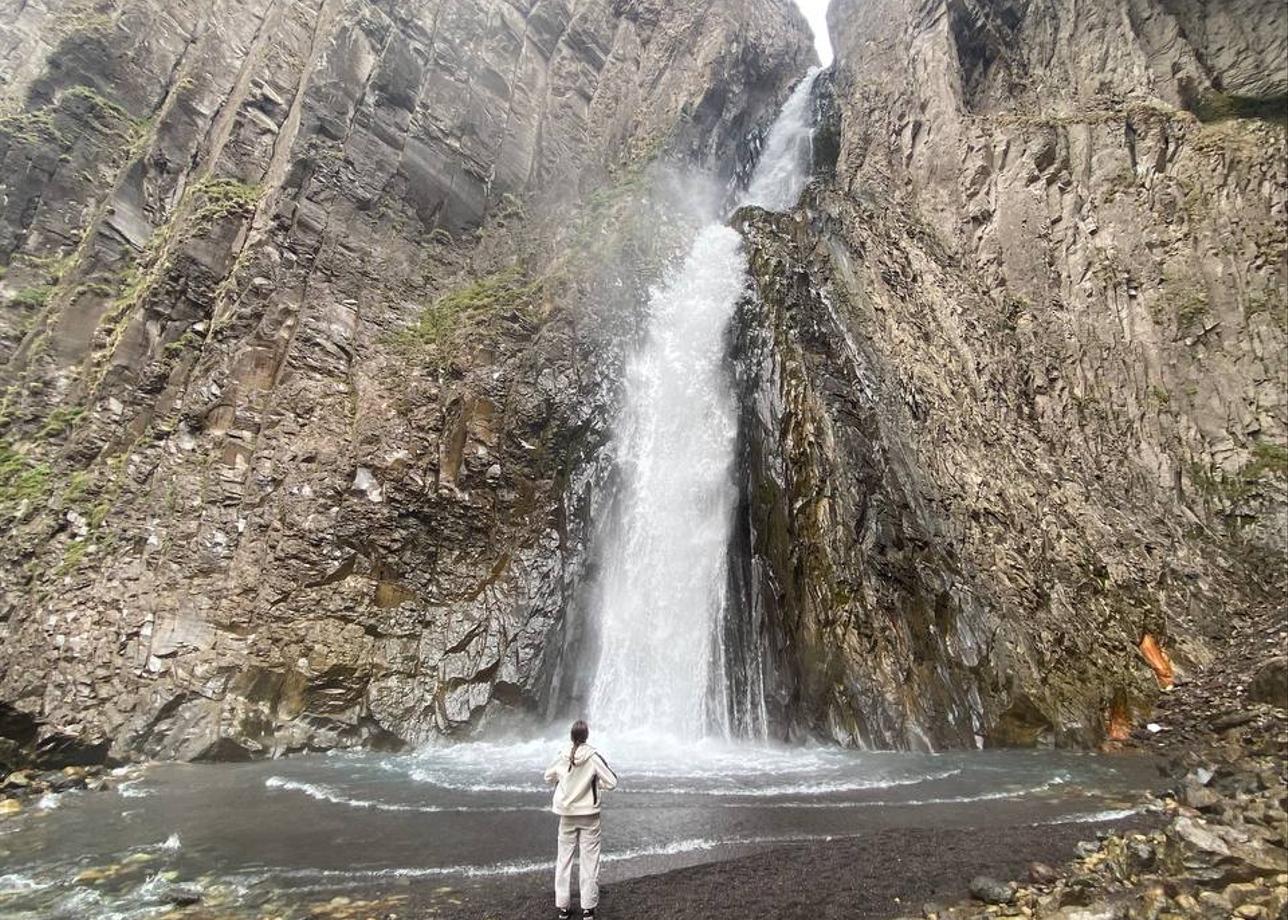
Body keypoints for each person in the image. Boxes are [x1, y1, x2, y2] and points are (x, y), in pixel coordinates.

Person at [543, 720, 618, 919]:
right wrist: (594, 785)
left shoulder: (561, 755)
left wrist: (564, 781)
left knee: (564, 860)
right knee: (589, 861)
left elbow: (548, 777)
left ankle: (563, 906)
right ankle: (587, 908)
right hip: (589, 817)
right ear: (586, 736)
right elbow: (612, 782)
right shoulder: (593, 757)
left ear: (571, 735)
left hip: (566, 815)